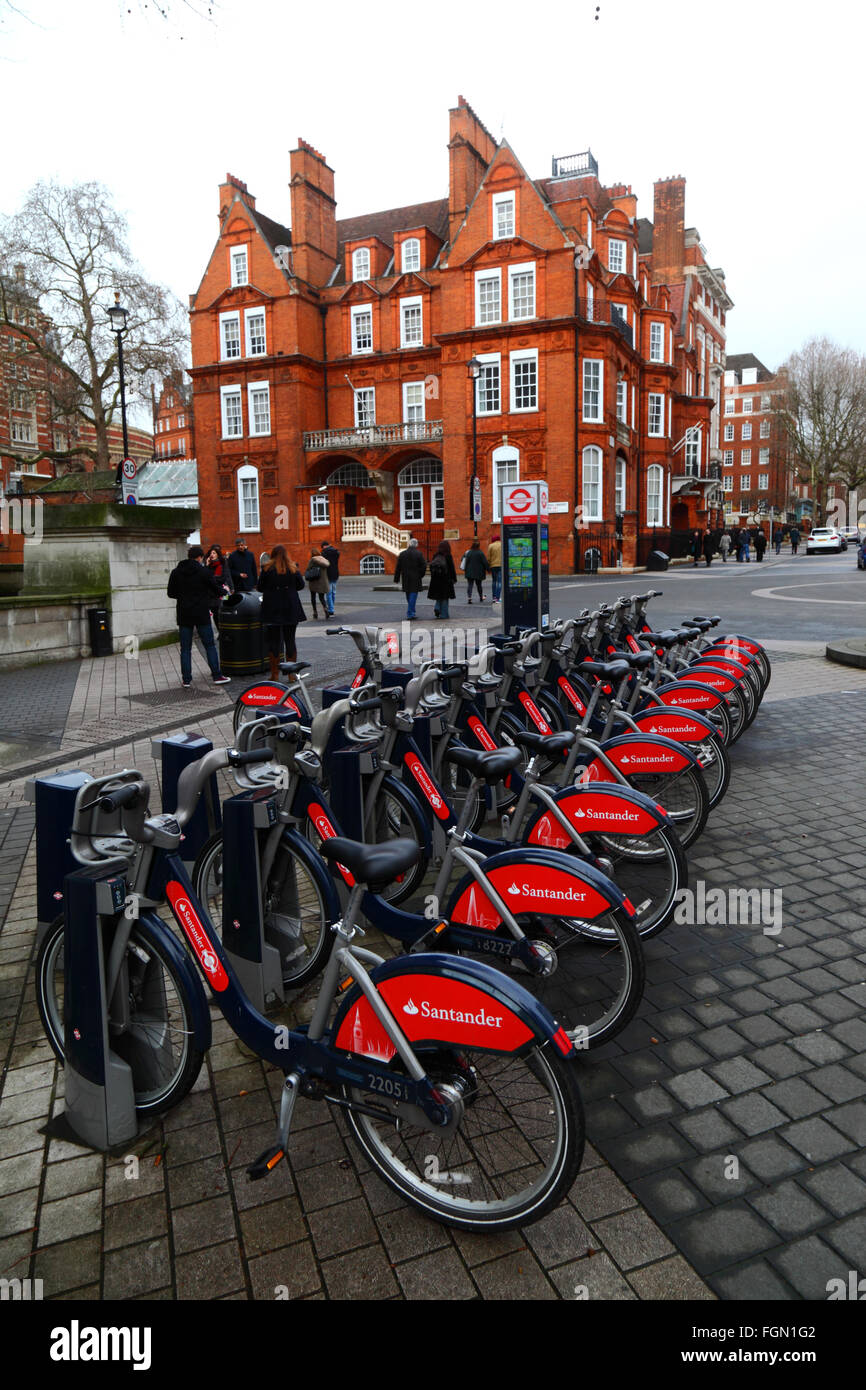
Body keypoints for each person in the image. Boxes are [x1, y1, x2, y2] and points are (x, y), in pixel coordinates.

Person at [167, 545, 232, 688]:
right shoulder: (203, 572)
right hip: (201, 612)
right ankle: (217, 675)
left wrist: (184, 596)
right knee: (209, 645)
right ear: (200, 557)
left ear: (189, 556)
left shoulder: (176, 572)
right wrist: (226, 592)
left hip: (184, 613)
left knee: (185, 648)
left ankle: (186, 680)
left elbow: (170, 593)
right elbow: (216, 589)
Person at [257, 545, 306, 679]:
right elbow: (301, 585)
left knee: (273, 642)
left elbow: (260, 587)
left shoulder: (266, 568)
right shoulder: (293, 567)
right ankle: (291, 674)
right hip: (290, 607)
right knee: (290, 640)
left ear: (272, 555)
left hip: (272, 608)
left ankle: (274, 674)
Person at [393, 537, 426, 619]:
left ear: (409, 544)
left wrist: (396, 578)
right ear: (416, 545)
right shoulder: (419, 554)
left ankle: (412, 612)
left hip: (406, 578)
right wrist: (420, 575)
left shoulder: (402, 554)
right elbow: (424, 566)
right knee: (413, 596)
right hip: (415, 578)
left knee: (409, 595)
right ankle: (410, 613)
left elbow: (398, 567)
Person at [205, 543, 233, 629]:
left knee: (225, 609)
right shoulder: (208, 565)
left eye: (214, 553)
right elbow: (205, 577)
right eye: (211, 553)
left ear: (218, 554)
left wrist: (231, 587)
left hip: (223, 592)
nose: (211, 555)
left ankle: (226, 630)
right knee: (215, 613)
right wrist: (207, 565)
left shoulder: (223, 563)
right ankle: (220, 631)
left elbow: (224, 577)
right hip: (212, 594)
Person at [428, 540, 456, 619]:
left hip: (436, 580)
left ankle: (437, 607)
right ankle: (444, 614)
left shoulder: (435, 555)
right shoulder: (448, 556)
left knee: (438, 595)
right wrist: (454, 579)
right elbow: (451, 568)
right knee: (445, 597)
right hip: (445, 580)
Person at [305, 548, 331, 618]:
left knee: (313, 597)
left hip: (314, 581)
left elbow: (308, 568)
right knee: (321, 597)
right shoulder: (324, 559)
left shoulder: (313, 560)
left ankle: (315, 612)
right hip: (323, 582)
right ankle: (325, 608)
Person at [321, 540, 340, 617]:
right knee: (333, 592)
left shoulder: (324, 553)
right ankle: (332, 607)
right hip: (335, 573)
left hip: (328, 574)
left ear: (323, 546)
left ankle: (331, 610)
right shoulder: (336, 552)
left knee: (328, 593)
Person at [487, 533, 502, 602]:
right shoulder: (502, 544)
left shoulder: (490, 546)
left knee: (494, 581)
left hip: (493, 566)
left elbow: (488, 558)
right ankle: (497, 598)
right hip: (501, 566)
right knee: (499, 582)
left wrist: (489, 566)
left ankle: (494, 597)